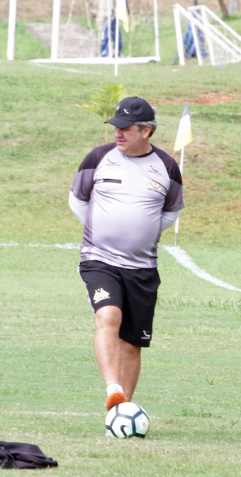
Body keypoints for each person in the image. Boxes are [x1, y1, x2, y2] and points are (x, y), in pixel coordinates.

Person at [69, 96, 184, 412]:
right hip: (99, 259)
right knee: (108, 316)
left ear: (146, 131)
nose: (117, 133)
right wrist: (102, 231)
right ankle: (113, 390)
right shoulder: (99, 157)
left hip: (142, 267)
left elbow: (171, 212)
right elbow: (78, 199)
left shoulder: (167, 167)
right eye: (115, 127)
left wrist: (141, 234)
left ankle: (122, 413)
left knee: (132, 344)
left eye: (125, 128)